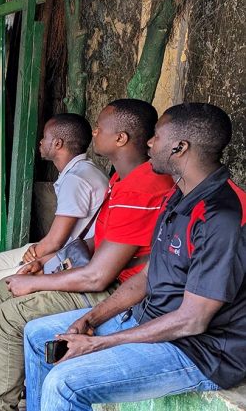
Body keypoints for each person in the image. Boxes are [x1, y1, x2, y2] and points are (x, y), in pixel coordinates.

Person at [22, 103, 246, 411]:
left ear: (179, 147)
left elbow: (192, 320)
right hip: (149, 318)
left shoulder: (224, 216)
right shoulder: (179, 195)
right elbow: (148, 274)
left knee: (66, 382)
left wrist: (99, 343)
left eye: (156, 136)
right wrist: (90, 319)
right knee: (38, 336)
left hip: (198, 350)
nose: (150, 143)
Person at [0, 99, 175, 410]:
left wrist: (38, 282)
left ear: (121, 139)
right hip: (108, 274)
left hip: (121, 290)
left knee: (10, 315)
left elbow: (98, 277)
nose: (94, 131)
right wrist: (48, 265)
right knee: (4, 288)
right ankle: (18, 377)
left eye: (100, 127)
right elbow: (98, 241)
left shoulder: (140, 188)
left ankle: (2, 402)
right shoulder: (122, 179)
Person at [0, 113, 108, 330]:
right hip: (68, 247)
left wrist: (33, 257)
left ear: (58, 143)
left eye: (44, 137)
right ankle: (9, 324)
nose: (41, 142)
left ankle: (0, 345)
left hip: (68, 256)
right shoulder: (82, 170)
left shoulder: (75, 179)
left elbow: (55, 242)